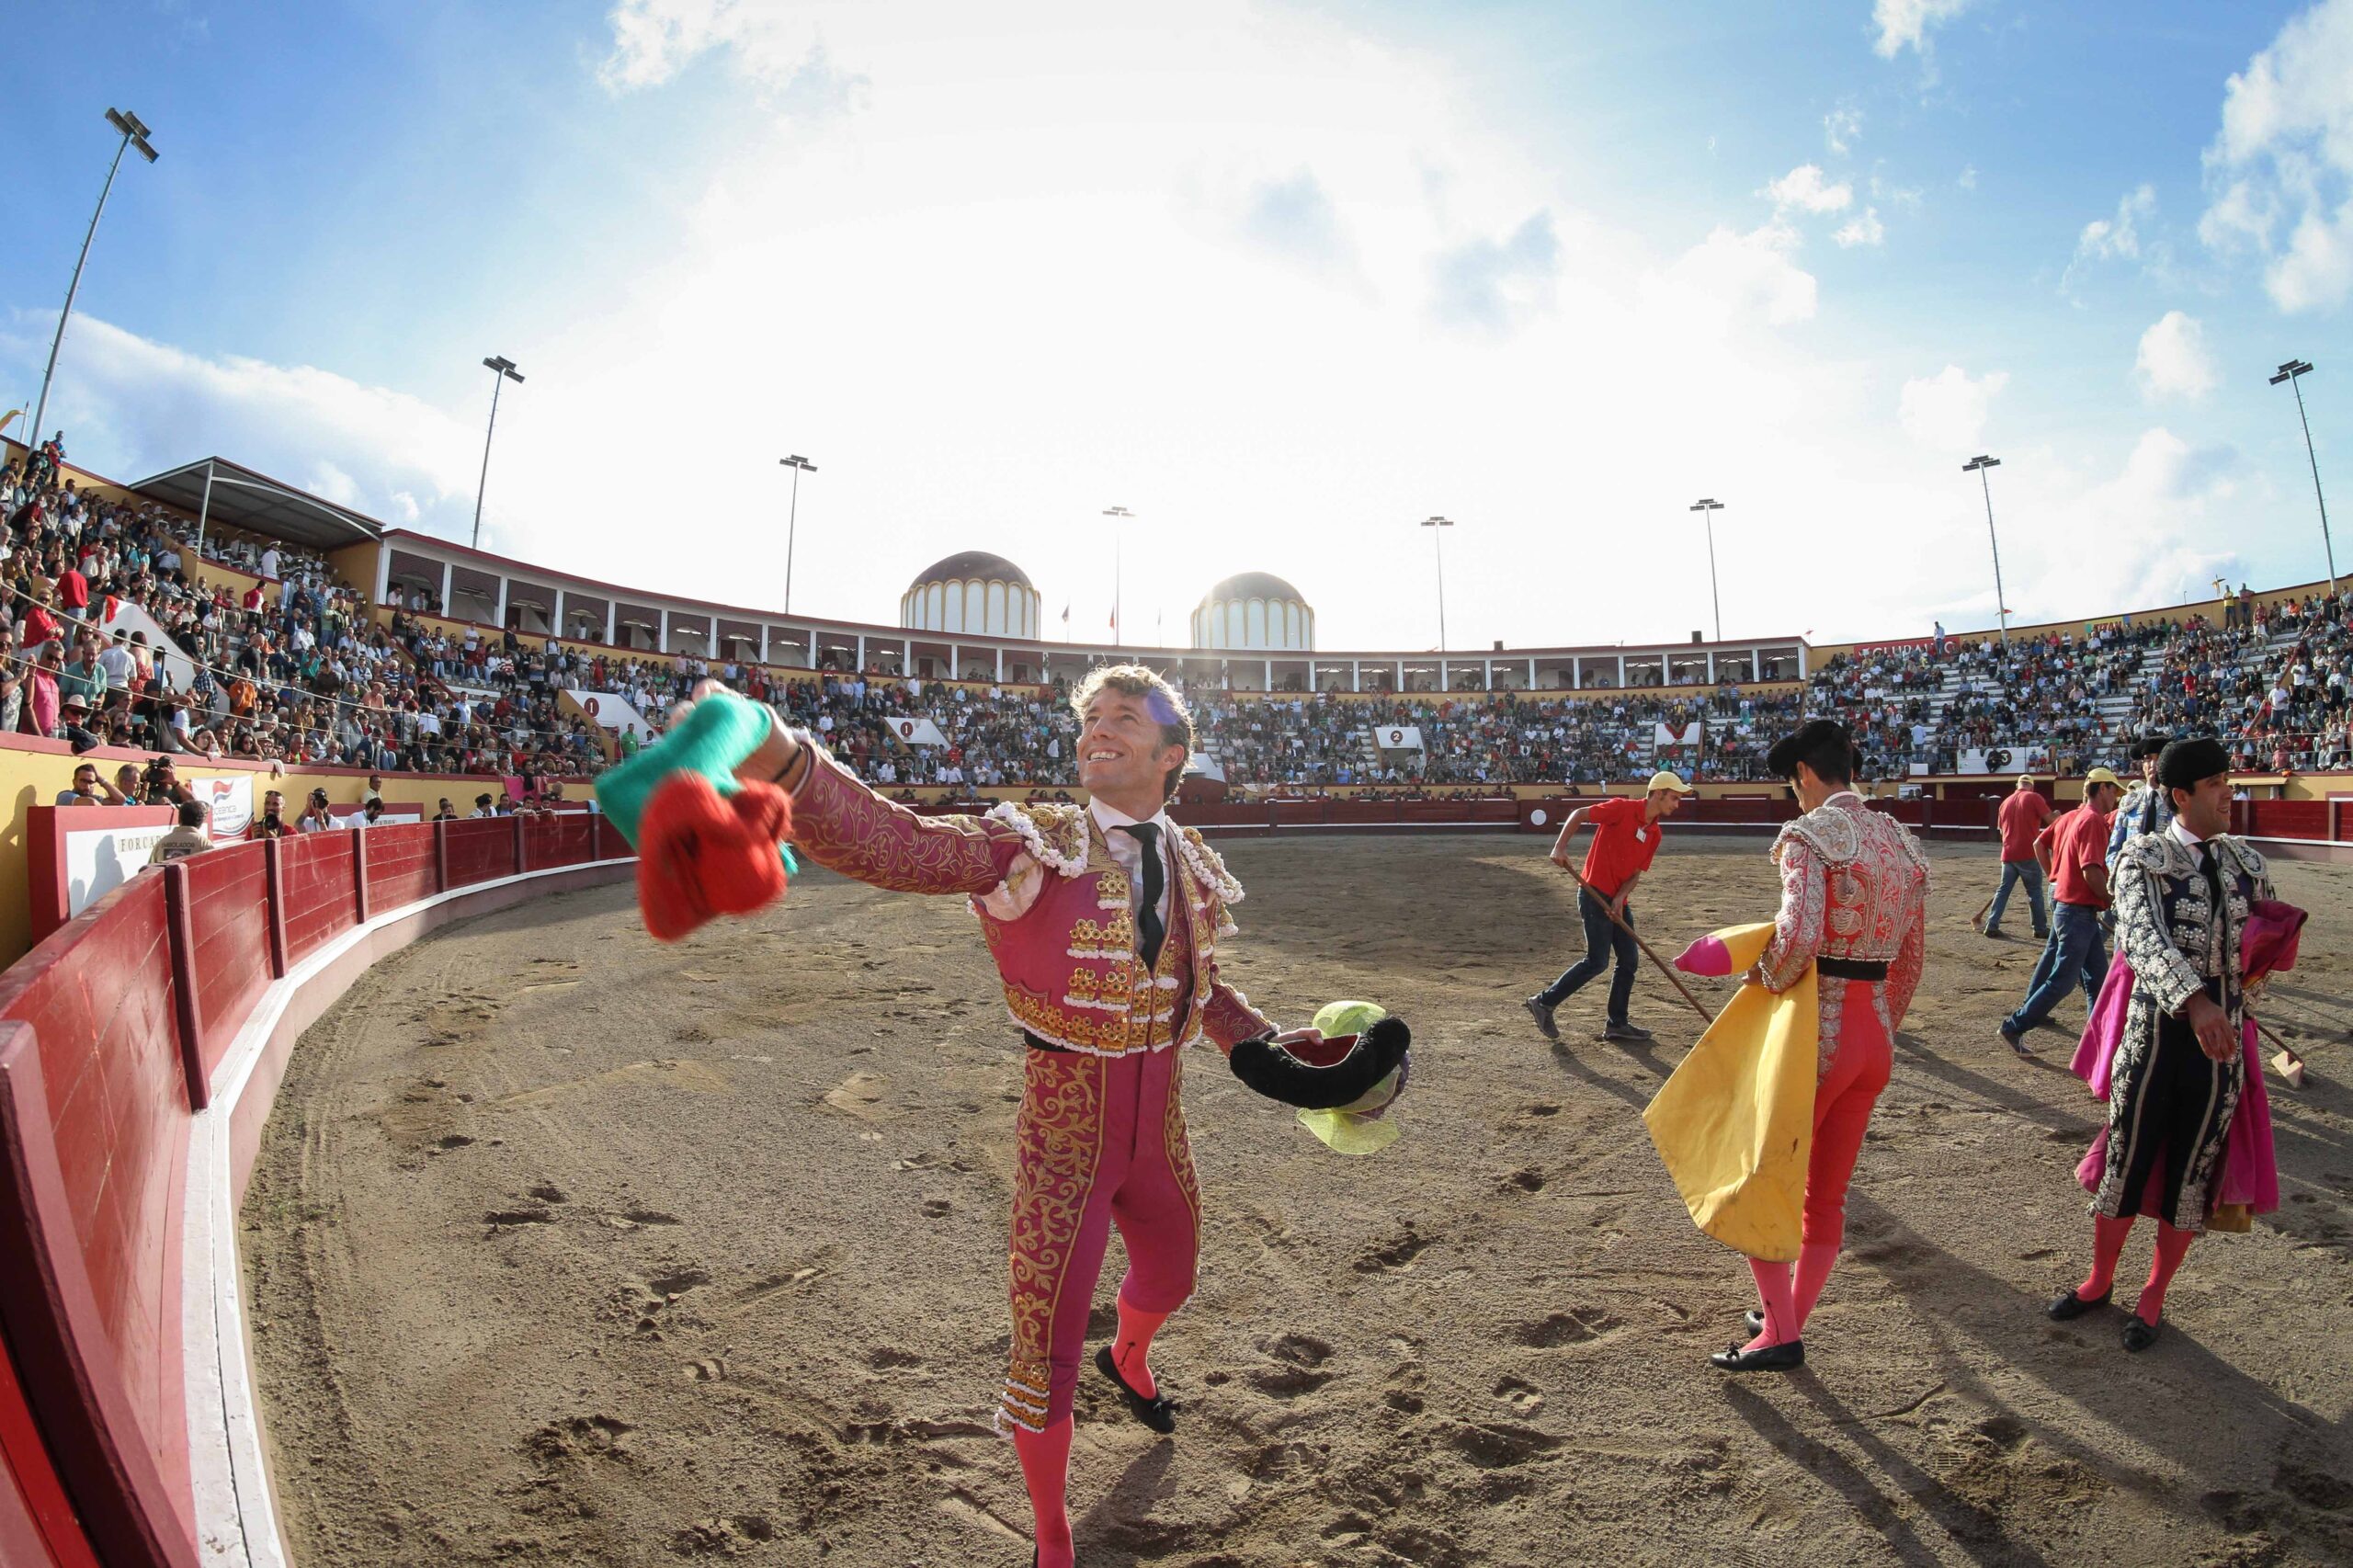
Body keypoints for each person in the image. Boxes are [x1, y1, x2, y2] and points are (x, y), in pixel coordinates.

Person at [718, 665, 1375, 1568]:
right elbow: (903, 845)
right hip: (1062, 1134)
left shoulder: (1187, 863)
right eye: (1090, 717)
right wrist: (787, 760)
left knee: (1173, 1274)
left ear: (1170, 752)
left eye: (1123, 717)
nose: (1098, 729)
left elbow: (1205, 990)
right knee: (1046, 1342)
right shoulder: (1038, 842)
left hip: (1160, 1130)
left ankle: (1133, 1360)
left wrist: (1281, 1051)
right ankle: (1053, 1538)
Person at [1713, 720, 1927, 1373]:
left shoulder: (1809, 837)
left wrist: (1761, 982)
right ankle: (1787, 1319)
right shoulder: (1902, 842)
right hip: (1874, 1043)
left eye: (1792, 783)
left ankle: (1779, 1333)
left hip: (1820, 1037)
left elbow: (1800, 936)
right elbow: (1911, 962)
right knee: (1824, 1197)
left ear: (1806, 772)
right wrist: (1880, 1025)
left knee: (1760, 1183)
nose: (1793, 796)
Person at [2049, 737, 2271, 1351]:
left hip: (2221, 1044)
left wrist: (2268, 961)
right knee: (2127, 1159)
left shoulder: (2247, 864)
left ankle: (2153, 1294)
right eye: (2218, 784)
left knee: (2193, 1173)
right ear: (2182, 795)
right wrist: (2197, 1001)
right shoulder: (2143, 857)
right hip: (2154, 1038)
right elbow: (2140, 940)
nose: (2231, 793)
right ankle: (2099, 1280)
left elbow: (2261, 952)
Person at [1524, 769, 1694, 1044]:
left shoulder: (1654, 833)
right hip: (1593, 894)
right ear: (1658, 794)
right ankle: (1543, 1002)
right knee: (1598, 961)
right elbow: (1579, 814)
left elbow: (1637, 872)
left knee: (1629, 960)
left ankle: (1617, 1024)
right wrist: (1560, 847)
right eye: (1674, 798)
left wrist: (1620, 898)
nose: (1677, 804)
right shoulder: (1621, 808)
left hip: (1617, 900)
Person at [1999, 767, 2123, 1054]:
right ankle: (2015, 1025)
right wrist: (2109, 900)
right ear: (2101, 788)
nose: (2116, 797)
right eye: (2114, 790)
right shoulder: (2093, 819)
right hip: (2079, 910)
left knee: (2097, 981)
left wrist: (2054, 876)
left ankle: (2099, 1044)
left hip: (2068, 905)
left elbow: (2039, 844)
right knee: (2064, 981)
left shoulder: (2070, 816)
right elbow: (2091, 869)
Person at [1983, 774, 2052, 940]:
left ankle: (1992, 924)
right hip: (2028, 852)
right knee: (2034, 891)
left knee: (2003, 890)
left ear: (2017, 785)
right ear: (2032, 786)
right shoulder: (2034, 798)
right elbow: (2051, 821)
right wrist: (2058, 815)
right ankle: (2040, 928)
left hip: (2008, 853)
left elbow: (2001, 830)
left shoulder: (2005, 802)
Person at [2107, 736, 2173, 867]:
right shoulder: (2129, 801)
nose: (2153, 765)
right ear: (2143, 765)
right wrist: (2124, 875)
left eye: (2159, 758)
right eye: (2148, 759)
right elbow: (2113, 850)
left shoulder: (2179, 798)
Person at [145, 801, 212, 865]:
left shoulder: (161, 843)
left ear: (179, 819)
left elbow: (150, 871)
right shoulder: (204, 844)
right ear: (201, 822)